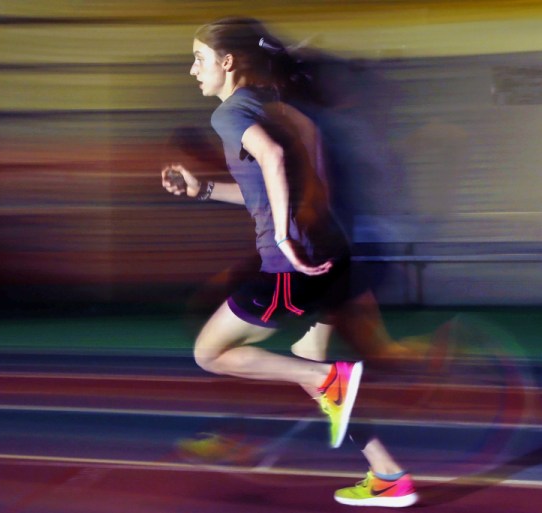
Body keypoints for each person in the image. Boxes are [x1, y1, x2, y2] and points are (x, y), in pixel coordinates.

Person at [160, 17, 420, 507]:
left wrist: (282, 235)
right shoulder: (277, 106)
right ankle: (389, 476)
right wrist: (204, 189)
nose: (192, 70)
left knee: (210, 353)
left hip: (289, 269)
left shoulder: (231, 114)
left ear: (227, 62)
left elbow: (274, 159)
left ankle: (328, 380)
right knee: (311, 363)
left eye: (198, 59)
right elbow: (273, 188)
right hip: (333, 258)